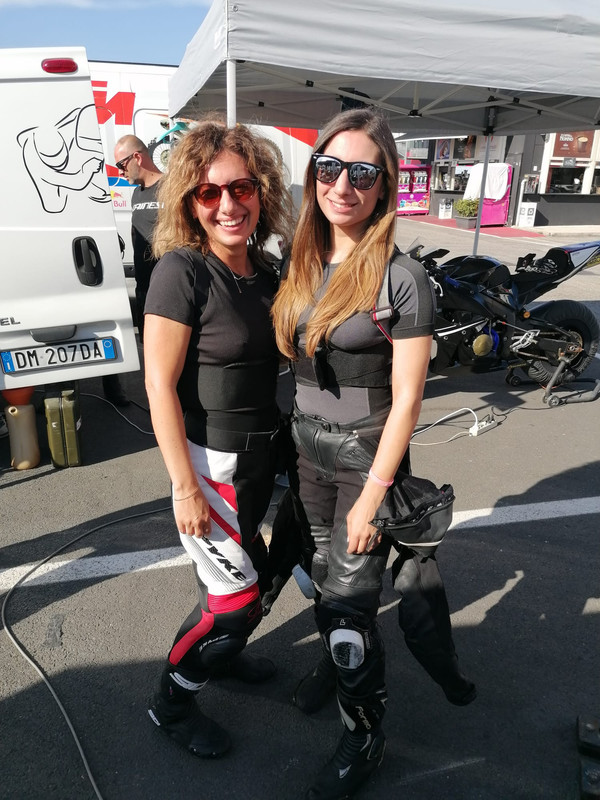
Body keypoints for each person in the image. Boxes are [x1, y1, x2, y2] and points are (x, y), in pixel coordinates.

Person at [272, 108, 474, 799]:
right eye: (329, 169)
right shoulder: (301, 261)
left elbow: (409, 399)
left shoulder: (402, 277)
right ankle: (336, 670)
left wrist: (374, 496)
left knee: (349, 609)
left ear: (385, 184)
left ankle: (364, 737)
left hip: (367, 461)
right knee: (320, 580)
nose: (343, 186)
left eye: (362, 173)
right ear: (313, 176)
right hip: (307, 454)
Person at [143, 118, 293, 759]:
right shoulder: (182, 271)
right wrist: (184, 487)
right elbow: (158, 384)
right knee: (233, 606)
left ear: (262, 191)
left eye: (241, 188)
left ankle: (224, 660)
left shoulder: (267, 270)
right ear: (190, 201)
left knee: (247, 578)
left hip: (261, 459)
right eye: (209, 192)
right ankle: (170, 704)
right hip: (211, 467)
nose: (228, 204)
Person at [113, 134, 163, 341]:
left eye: (121, 165)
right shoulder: (136, 194)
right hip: (144, 290)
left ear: (137, 157)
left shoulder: (171, 188)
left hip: (168, 290)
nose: (119, 171)